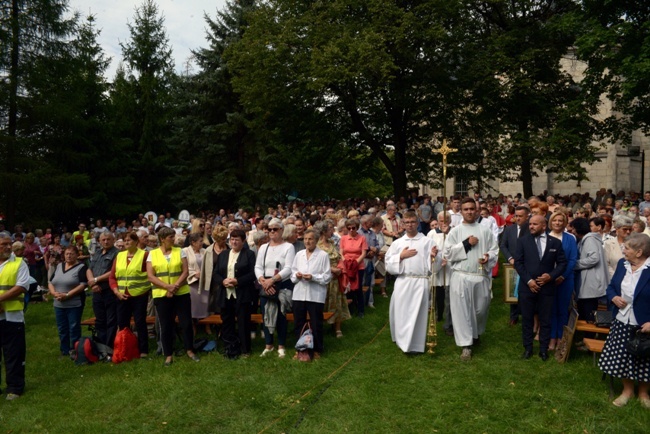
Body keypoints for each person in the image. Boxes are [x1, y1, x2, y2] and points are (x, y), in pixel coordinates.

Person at [443, 198, 499, 361]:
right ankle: (466, 345)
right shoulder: (455, 231)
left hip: (480, 275)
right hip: (461, 275)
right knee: (462, 311)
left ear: (476, 210)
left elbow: (494, 249)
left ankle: (475, 333)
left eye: (472, 209)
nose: (469, 212)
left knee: (480, 309)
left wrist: (488, 257)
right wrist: (466, 243)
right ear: (461, 211)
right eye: (465, 209)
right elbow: (447, 254)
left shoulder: (485, 230)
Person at [598, 233, 650, 408]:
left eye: (627, 248)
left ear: (639, 252)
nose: (623, 250)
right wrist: (613, 298)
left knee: (645, 359)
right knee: (623, 357)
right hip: (621, 319)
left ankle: (643, 393)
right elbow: (612, 286)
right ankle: (627, 391)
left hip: (644, 324)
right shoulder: (623, 264)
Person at [514, 215, 567, 361]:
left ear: (544, 226)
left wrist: (551, 276)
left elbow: (562, 263)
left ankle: (543, 349)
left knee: (545, 319)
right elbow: (518, 263)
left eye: (534, 224)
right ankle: (528, 348)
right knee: (527, 319)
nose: (531, 226)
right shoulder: (523, 241)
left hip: (547, 288)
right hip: (527, 287)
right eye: (530, 224)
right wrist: (529, 280)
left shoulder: (555, 243)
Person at [386, 211, 438, 353]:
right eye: (407, 222)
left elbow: (436, 265)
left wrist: (433, 257)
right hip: (403, 281)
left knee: (418, 314)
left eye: (413, 222)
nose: (410, 225)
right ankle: (403, 342)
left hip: (420, 282)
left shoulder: (427, 241)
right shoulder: (398, 243)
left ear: (418, 223)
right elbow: (388, 264)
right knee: (402, 313)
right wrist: (400, 257)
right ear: (402, 224)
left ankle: (415, 345)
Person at [146, 227, 199, 366]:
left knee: (186, 322)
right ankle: (168, 354)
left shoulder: (180, 251)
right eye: (170, 237)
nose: (173, 239)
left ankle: (189, 350)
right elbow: (151, 276)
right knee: (165, 325)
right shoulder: (153, 254)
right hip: (161, 294)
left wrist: (174, 286)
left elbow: (185, 271)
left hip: (181, 292)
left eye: (173, 236)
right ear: (162, 239)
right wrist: (167, 287)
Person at [213, 229, 257, 357]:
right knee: (227, 321)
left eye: (237, 239)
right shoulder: (223, 255)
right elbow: (215, 273)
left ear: (243, 241)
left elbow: (253, 273)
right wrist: (223, 281)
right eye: (232, 239)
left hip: (242, 294)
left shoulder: (249, 254)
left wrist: (238, 281)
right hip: (225, 293)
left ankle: (245, 350)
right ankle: (230, 347)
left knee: (243, 322)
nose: (234, 241)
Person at [255, 218, 295, 358]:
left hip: (282, 284)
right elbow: (258, 266)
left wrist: (272, 280)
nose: (272, 231)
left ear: (282, 230)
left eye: (275, 229)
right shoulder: (263, 247)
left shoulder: (288, 247)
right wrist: (262, 280)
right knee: (266, 315)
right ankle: (268, 345)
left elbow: (289, 268)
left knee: (281, 315)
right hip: (265, 284)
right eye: (269, 229)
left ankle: (281, 345)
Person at [109, 232, 151, 357]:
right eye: (125, 240)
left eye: (129, 240)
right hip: (121, 296)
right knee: (122, 323)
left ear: (136, 241)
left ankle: (143, 350)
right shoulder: (119, 256)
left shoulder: (144, 255)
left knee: (140, 322)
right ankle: (124, 349)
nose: (126, 242)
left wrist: (145, 291)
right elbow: (112, 277)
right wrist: (116, 292)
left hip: (139, 295)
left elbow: (150, 274)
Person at [291, 229, 332, 359]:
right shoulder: (299, 255)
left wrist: (313, 277)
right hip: (299, 294)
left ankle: (317, 349)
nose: (307, 242)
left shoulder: (323, 255)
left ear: (316, 240)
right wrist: (297, 276)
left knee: (316, 323)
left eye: (310, 239)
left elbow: (327, 277)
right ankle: (300, 350)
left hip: (315, 295)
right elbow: (292, 274)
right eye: (305, 239)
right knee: (298, 322)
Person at [0, 233, 29, 400]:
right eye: (4, 244)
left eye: (9, 244)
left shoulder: (19, 263)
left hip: (12, 317)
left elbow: (21, 286)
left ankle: (15, 387)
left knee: (13, 354)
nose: (8, 247)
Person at [48, 246, 88, 359]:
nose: (69, 256)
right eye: (66, 254)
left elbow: (83, 285)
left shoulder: (81, 267)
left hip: (74, 303)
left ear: (76, 255)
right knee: (62, 328)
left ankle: (75, 350)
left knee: (74, 327)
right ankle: (64, 350)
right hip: (58, 303)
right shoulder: (59, 266)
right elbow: (51, 282)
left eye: (71, 254)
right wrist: (54, 293)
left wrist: (67, 295)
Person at [547, 211, 578, 351]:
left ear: (565, 223)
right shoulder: (545, 237)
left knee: (563, 309)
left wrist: (562, 276)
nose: (557, 223)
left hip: (565, 279)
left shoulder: (570, 238)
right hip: (548, 279)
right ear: (550, 222)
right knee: (551, 309)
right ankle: (552, 338)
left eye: (560, 220)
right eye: (555, 220)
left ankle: (561, 338)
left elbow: (572, 260)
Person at [315, 220, 350, 338]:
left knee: (337, 303)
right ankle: (321, 326)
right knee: (323, 303)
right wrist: (331, 269)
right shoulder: (316, 246)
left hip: (336, 279)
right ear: (323, 231)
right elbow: (316, 263)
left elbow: (339, 257)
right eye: (330, 229)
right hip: (324, 279)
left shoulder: (332, 243)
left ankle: (337, 328)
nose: (332, 231)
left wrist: (340, 267)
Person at [573, 218, 609, 324]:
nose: (572, 231)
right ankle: (587, 335)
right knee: (586, 309)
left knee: (590, 311)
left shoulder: (589, 239)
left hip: (591, 281)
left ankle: (591, 335)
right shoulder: (587, 239)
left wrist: (574, 264)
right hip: (589, 281)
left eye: (574, 228)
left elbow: (594, 258)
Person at [87, 232, 119, 351]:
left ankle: (109, 347)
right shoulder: (98, 253)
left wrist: (96, 280)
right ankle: (100, 347)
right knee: (100, 320)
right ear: (100, 241)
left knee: (111, 320)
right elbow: (89, 269)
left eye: (108, 239)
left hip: (110, 291)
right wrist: (92, 282)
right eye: (103, 240)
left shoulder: (117, 254)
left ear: (113, 240)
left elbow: (113, 271)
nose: (106, 242)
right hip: (96, 291)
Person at [500, 205, 530, 326]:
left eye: (520, 216)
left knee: (526, 290)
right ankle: (514, 316)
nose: (517, 218)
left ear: (527, 217)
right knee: (513, 289)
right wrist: (510, 258)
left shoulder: (531, 229)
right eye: (516, 216)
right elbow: (503, 245)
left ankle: (527, 315)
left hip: (527, 264)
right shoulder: (509, 229)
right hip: (512, 265)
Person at [340, 218, 368, 318]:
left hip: (358, 266)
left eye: (353, 228)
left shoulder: (362, 238)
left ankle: (361, 311)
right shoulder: (343, 238)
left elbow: (364, 253)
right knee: (349, 289)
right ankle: (350, 310)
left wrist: (355, 263)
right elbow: (341, 252)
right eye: (349, 228)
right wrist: (345, 262)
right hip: (347, 266)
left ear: (357, 228)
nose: (351, 230)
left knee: (358, 288)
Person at [198, 225, 229, 315]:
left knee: (226, 306)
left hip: (227, 281)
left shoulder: (230, 248)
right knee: (214, 306)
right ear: (216, 239)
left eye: (225, 238)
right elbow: (204, 269)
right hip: (213, 283)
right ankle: (215, 326)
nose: (224, 241)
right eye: (222, 239)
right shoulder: (208, 251)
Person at [183, 233, 206, 320]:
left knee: (204, 303)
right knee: (194, 304)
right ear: (193, 242)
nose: (202, 243)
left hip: (203, 282)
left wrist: (203, 274)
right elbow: (184, 266)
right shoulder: (185, 251)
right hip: (192, 282)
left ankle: (206, 324)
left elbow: (209, 264)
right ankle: (194, 325)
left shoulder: (204, 251)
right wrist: (195, 274)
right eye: (200, 241)